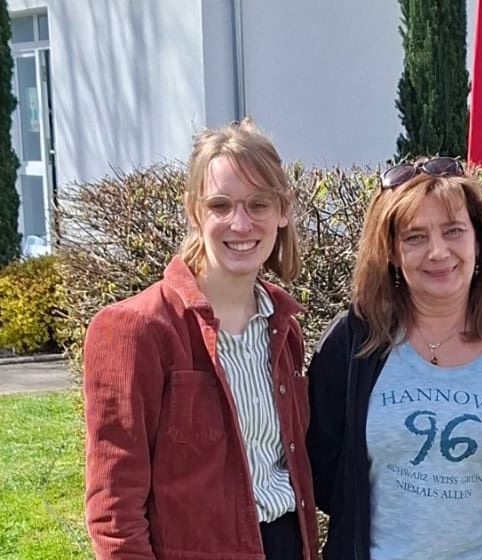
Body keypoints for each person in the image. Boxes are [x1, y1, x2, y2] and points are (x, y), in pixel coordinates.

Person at [306, 157, 482, 560]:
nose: (437, 251)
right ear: (391, 252)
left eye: (454, 231)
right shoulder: (353, 343)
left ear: (479, 240)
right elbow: (326, 474)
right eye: (414, 237)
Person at [83, 118, 318, 560]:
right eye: (220, 205)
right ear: (194, 211)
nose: (241, 223)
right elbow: (114, 511)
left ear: (283, 210)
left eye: (258, 204)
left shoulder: (282, 327)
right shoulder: (137, 330)